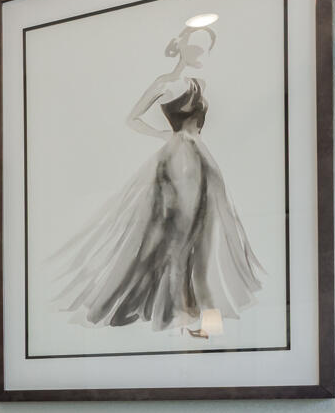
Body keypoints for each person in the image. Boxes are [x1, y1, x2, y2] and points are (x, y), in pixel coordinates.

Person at [54, 19, 264, 338]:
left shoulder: (201, 84)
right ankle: (180, 316)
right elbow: (132, 118)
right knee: (179, 235)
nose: (201, 53)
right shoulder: (164, 82)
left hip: (203, 161)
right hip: (178, 160)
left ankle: (202, 319)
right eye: (195, 46)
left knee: (207, 235)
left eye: (206, 48)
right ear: (179, 46)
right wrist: (163, 135)